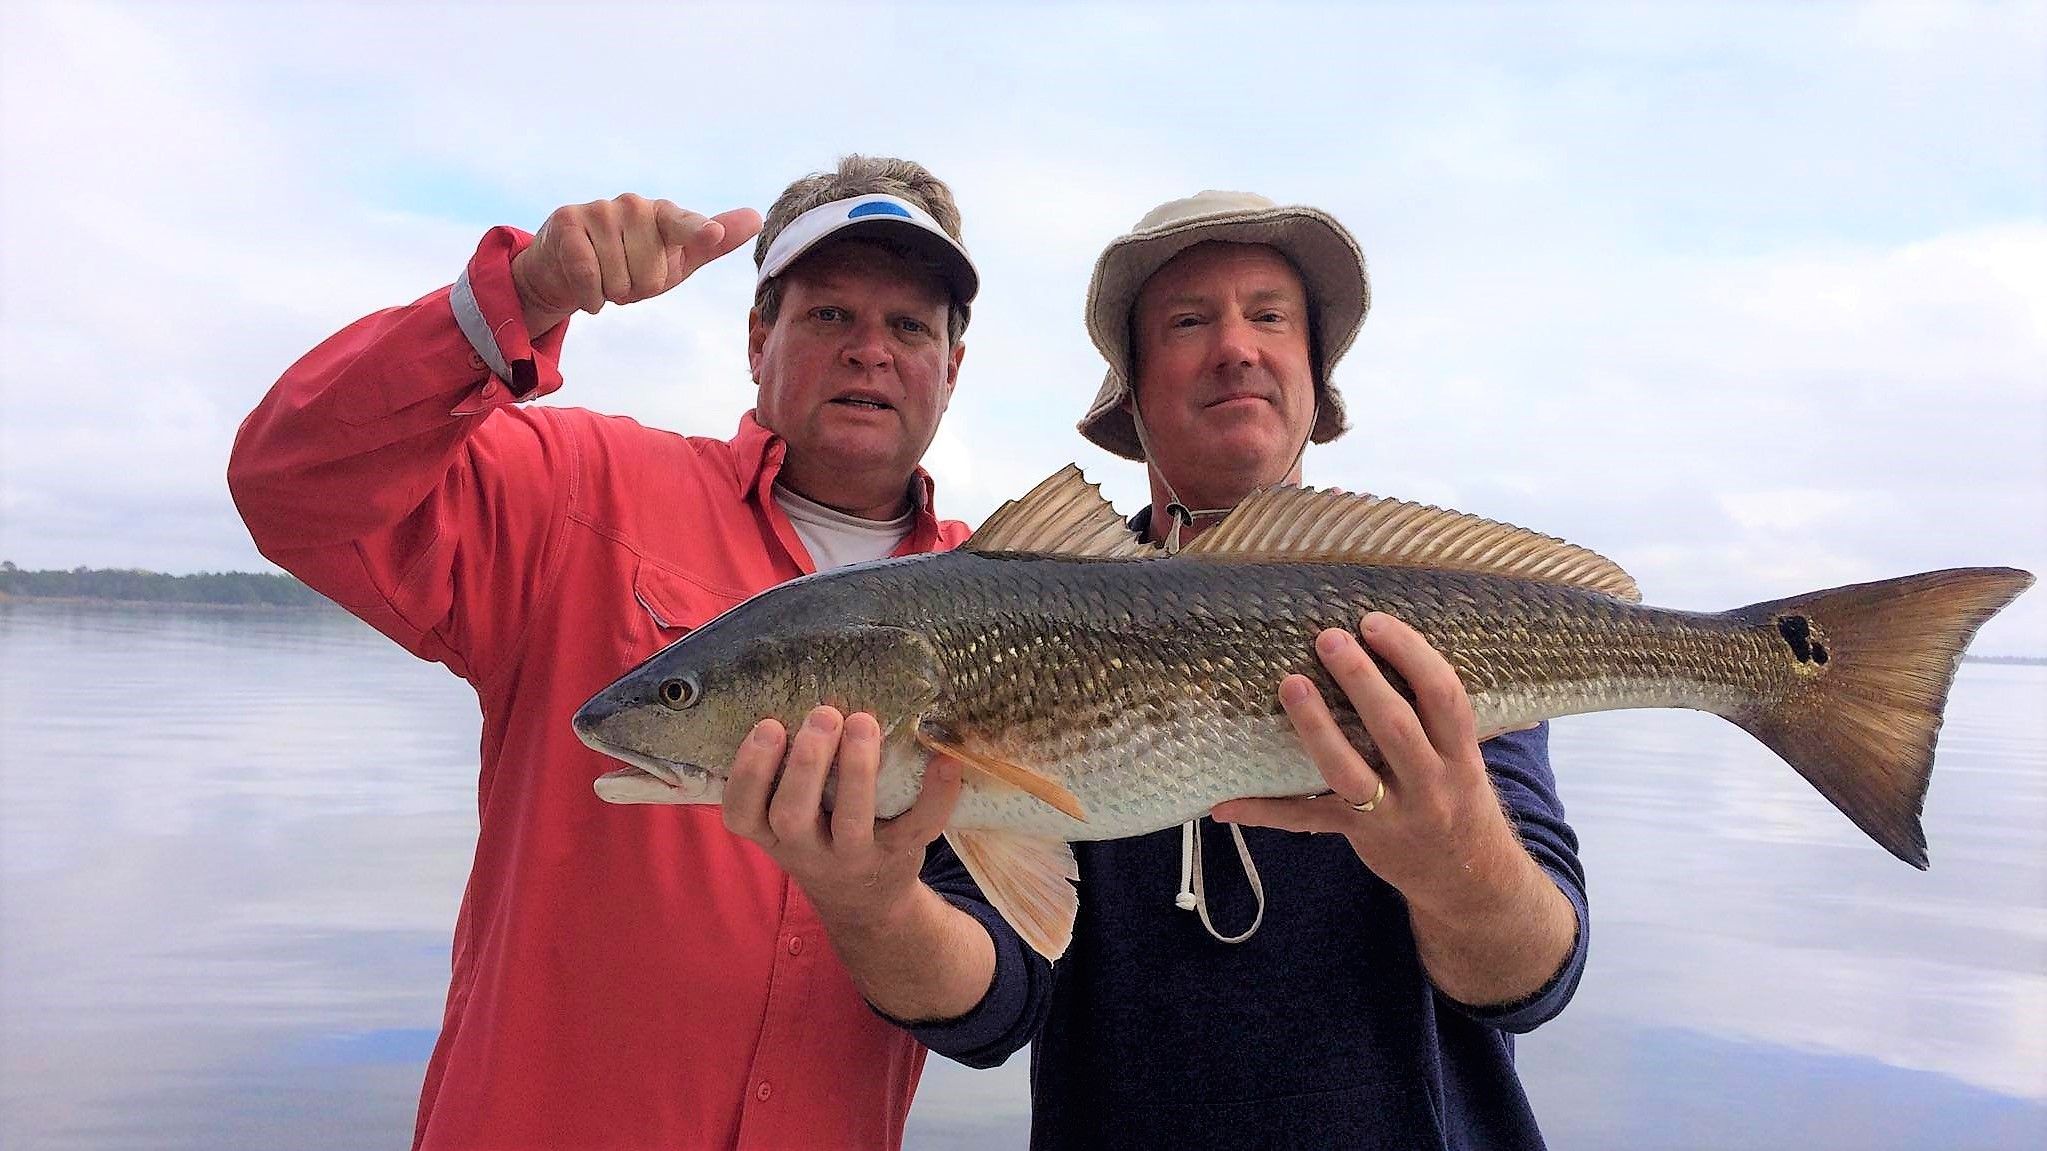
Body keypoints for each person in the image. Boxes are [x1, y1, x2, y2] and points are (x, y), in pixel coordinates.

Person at [227, 156, 1030, 1151]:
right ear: (757, 337)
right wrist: (516, 299)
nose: (871, 350)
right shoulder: (578, 489)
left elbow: (1002, 992)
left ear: (951, 367)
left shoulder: (1013, 599)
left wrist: (874, 904)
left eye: (909, 325)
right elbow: (293, 484)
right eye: (828, 315)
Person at [893, 191, 1591, 1149]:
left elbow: (1533, 978)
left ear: (1312, 376)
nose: (1235, 346)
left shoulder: (1426, 616)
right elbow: (993, 1008)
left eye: (1269, 315)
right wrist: (869, 898)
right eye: (1187, 321)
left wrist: (1457, 856)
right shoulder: (1001, 618)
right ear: (1130, 391)